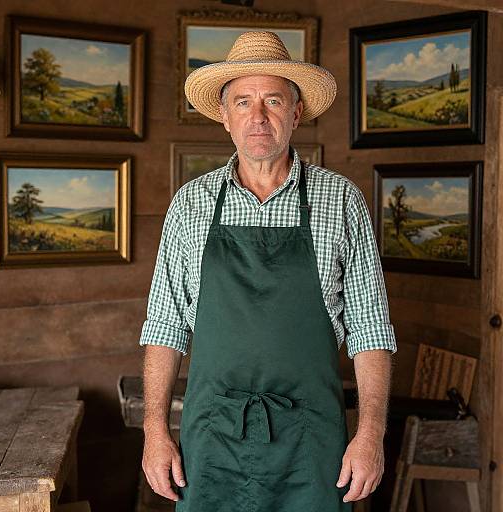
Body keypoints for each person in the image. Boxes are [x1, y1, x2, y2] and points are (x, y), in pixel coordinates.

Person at [139, 31, 397, 512]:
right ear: (225, 117)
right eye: (243, 101)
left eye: (273, 100)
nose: (258, 116)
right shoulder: (190, 204)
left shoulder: (340, 200)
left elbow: (371, 330)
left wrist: (371, 435)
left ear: (296, 113)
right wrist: (156, 432)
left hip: (311, 439)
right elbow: (164, 327)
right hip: (212, 437)